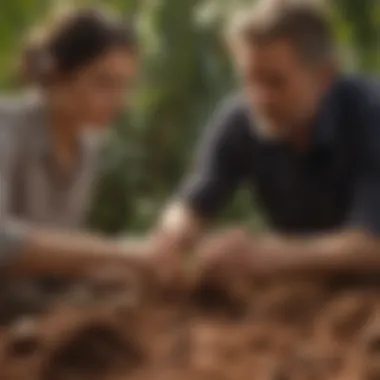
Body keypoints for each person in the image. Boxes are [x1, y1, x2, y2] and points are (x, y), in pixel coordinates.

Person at [151, 0, 380, 288]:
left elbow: (372, 244)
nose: (260, 99)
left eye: (276, 82)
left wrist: (267, 255)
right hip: (318, 291)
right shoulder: (239, 121)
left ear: (324, 77)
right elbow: (193, 203)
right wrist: (174, 237)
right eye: (249, 80)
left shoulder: (369, 115)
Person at [0, 7, 148, 278]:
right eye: (104, 83)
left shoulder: (88, 148)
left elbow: (57, 256)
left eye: (124, 86)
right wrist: (120, 253)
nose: (119, 101)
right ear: (57, 75)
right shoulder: (6, 130)